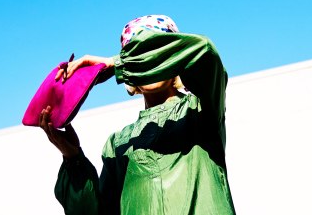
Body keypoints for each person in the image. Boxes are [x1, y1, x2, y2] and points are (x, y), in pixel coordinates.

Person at [39, 15, 236, 215]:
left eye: (153, 53)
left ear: (172, 58)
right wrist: (73, 158)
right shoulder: (119, 143)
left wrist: (118, 64)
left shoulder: (202, 110)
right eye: (137, 55)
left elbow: (204, 50)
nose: (146, 62)